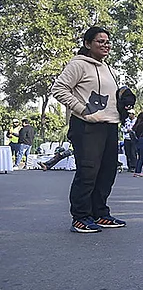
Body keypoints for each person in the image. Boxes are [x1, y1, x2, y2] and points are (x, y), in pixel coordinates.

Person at [51, 26, 127, 233]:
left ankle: (100, 214)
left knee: (107, 171)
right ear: (87, 44)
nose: (105, 45)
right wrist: (82, 110)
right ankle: (81, 217)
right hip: (86, 126)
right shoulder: (79, 65)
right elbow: (58, 89)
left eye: (108, 41)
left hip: (110, 124)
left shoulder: (108, 68)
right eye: (100, 41)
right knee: (88, 173)